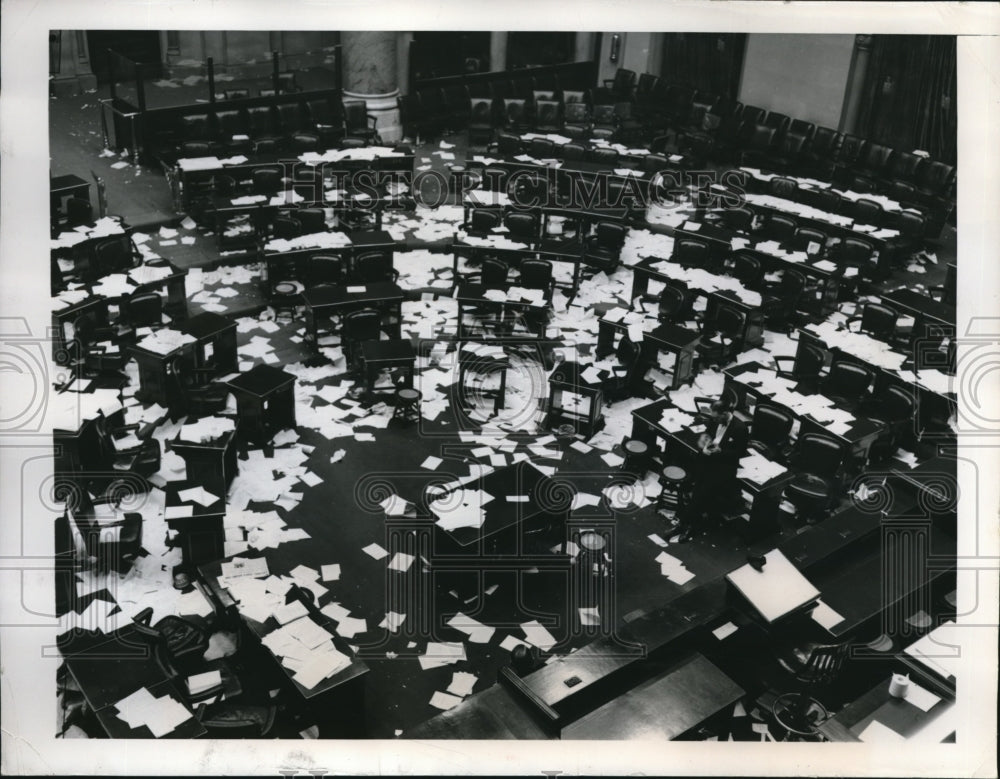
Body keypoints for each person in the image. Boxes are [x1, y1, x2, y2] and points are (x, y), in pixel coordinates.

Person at [675, 398, 749, 541]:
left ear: (725, 414)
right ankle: (686, 520)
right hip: (709, 458)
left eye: (716, 417)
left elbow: (739, 453)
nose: (714, 420)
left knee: (701, 493)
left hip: (724, 465)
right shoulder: (715, 420)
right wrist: (704, 440)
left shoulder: (740, 428)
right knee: (692, 482)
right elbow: (708, 433)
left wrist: (720, 452)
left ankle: (687, 524)